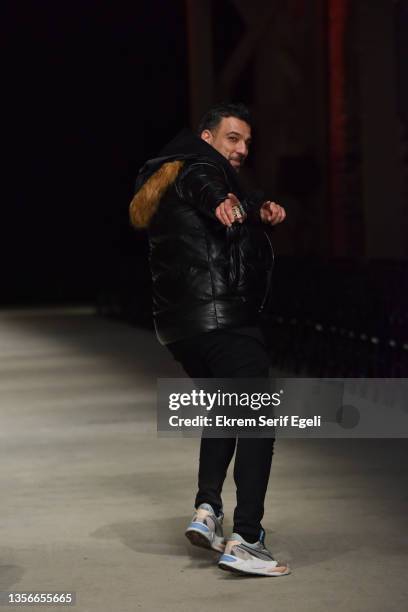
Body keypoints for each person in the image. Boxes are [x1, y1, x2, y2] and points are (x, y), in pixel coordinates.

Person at [129, 103, 290, 577]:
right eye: (232, 139)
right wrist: (224, 201)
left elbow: (214, 193)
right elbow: (208, 187)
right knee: (258, 417)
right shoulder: (202, 170)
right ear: (206, 138)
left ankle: (207, 510)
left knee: (225, 408)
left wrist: (256, 207)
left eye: (246, 142)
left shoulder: (169, 173)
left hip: (181, 330)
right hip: (223, 322)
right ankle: (249, 537)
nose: (241, 149)